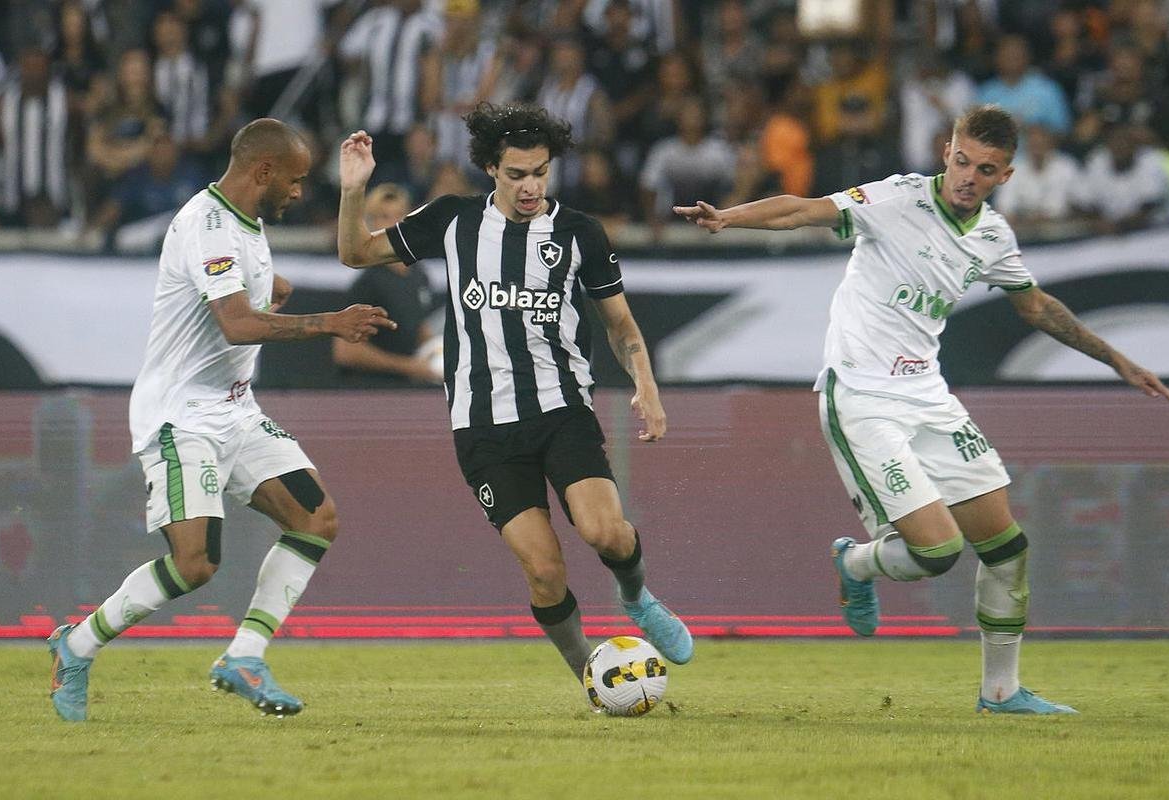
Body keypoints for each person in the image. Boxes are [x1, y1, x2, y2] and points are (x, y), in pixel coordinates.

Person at [675, 104, 1169, 715]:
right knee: (938, 554)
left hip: (929, 397)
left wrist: (1116, 359)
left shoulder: (992, 236)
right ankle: (856, 562)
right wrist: (728, 217)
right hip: (861, 394)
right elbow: (805, 209)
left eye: (985, 168)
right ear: (946, 151)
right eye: (962, 160)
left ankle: (1002, 692)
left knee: (1007, 549)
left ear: (1005, 176)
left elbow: (1036, 306)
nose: (968, 176)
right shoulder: (895, 197)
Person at [336, 101, 694, 695]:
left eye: (540, 173)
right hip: (483, 428)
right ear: (490, 171)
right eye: (516, 175)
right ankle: (592, 673)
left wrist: (647, 388)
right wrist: (354, 190)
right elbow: (355, 252)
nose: (530, 187)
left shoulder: (580, 232)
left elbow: (622, 326)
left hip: (561, 409)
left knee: (605, 533)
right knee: (544, 569)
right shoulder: (452, 220)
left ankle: (637, 597)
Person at [46, 118, 396, 722]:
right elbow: (236, 324)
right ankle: (75, 646)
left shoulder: (245, 222)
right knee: (196, 564)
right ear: (263, 170)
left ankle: (245, 657)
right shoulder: (207, 224)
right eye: (294, 180)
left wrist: (270, 283)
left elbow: (238, 296)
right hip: (180, 418)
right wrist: (327, 321)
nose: (298, 191)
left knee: (316, 519)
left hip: (234, 410)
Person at [333, 183, 443, 386]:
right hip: (368, 389)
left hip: (405, 391)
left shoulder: (419, 275)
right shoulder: (368, 283)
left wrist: (439, 350)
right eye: (384, 216)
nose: (393, 223)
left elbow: (415, 323)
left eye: (399, 215)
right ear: (371, 223)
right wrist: (408, 366)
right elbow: (346, 351)